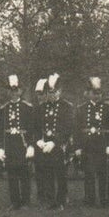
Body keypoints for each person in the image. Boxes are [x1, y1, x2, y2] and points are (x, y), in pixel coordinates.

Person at [35, 73, 74, 209]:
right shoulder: (42, 107)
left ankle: (61, 200)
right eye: (49, 92)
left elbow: (68, 128)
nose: (51, 95)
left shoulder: (66, 107)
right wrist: (39, 140)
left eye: (54, 92)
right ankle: (50, 201)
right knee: (48, 173)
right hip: (45, 145)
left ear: (60, 91)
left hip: (59, 145)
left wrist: (55, 142)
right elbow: (37, 127)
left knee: (61, 174)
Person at [76, 77, 109, 208]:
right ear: (88, 93)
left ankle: (104, 200)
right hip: (87, 145)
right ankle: (89, 200)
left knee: (103, 174)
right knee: (89, 173)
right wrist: (77, 147)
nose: (97, 95)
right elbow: (77, 129)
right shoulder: (81, 109)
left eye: (99, 93)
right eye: (94, 93)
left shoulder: (108, 109)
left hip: (102, 144)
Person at [0, 74, 35, 209]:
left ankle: (25, 202)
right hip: (10, 144)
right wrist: (0, 147)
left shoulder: (27, 108)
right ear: (8, 92)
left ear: (20, 91)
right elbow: (0, 130)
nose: (13, 93)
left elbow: (32, 129)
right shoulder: (3, 109)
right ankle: (14, 202)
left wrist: (31, 145)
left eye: (16, 90)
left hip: (22, 144)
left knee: (24, 173)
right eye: (11, 91)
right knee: (12, 174)